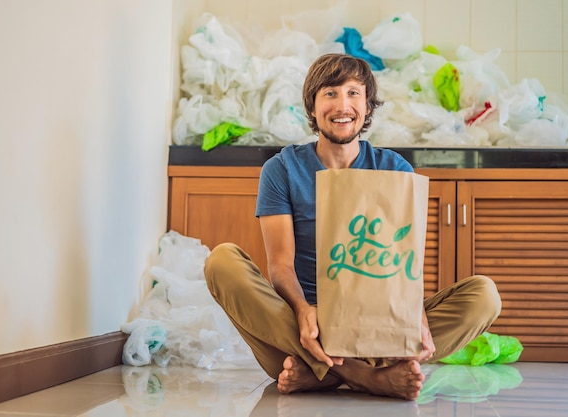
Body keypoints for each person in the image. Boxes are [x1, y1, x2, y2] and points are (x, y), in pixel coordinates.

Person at [204, 53, 501, 401]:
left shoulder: (394, 169)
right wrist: (303, 313)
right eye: (329, 93)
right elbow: (280, 265)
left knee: (484, 295)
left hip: (377, 328)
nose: (342, 104)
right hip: (302, 331)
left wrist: (414, 315)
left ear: (368, 106)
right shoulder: (281, 169)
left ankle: (322, 375)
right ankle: (365, 376)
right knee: (221, 262)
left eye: (353, 93)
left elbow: (402, 266)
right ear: (312, 108)